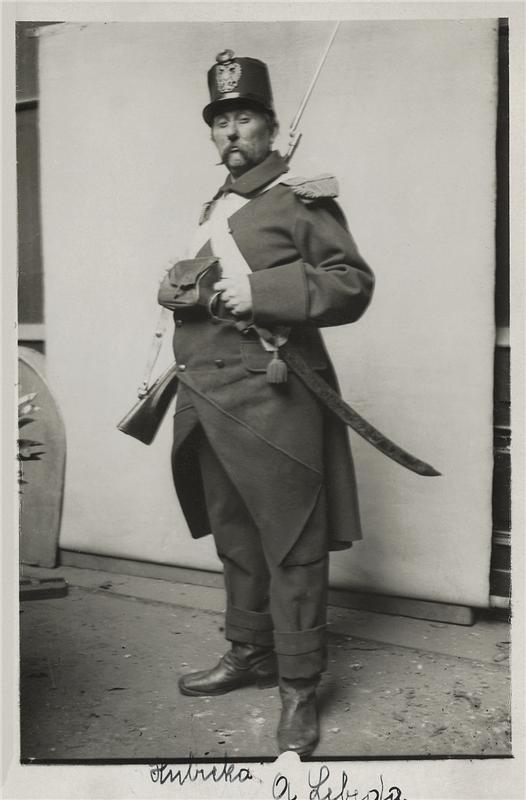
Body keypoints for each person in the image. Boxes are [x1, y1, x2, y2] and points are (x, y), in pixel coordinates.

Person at [170, 49, 374, 758]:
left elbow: (351, 284)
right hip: (207, 392)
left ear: (271, 126)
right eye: (220, 121)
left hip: (276, 393)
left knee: (292, 542)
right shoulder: (213, 210)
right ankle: (251, 650)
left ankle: (299, 684)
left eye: (245, 118)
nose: (232, 132)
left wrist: (262, 292)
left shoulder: (299, 199)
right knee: (235, 536)